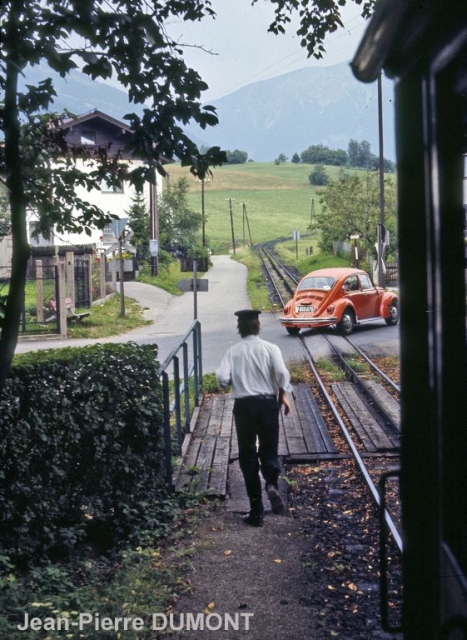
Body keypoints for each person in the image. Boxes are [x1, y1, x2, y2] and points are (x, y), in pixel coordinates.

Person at [216, 309, 292, 527]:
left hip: (245, 407)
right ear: (258, 326)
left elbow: (222, 378)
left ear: (239, 328)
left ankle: (256, 511)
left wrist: (230, 381)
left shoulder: (233, 351)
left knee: (247, 456)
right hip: (268, 404)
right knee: (269, 449)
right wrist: (283, 395)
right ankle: (271, 483)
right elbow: (282, 374)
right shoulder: (271, 348)